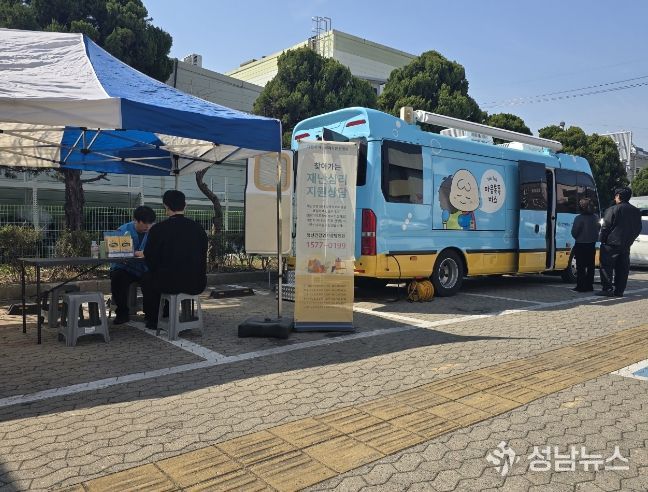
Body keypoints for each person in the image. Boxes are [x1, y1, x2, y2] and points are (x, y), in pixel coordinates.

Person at [141, 190, 208, 329]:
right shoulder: (198, 228)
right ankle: (174, 313)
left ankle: (154, 319)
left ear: (166, 206)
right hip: (196, 282)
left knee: (147, 277)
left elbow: (150, 257)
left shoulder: (158, 229)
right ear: (185, 205)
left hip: (168, 283)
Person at [110, 206, 156, 324]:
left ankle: (151, 315)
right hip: (126, 268)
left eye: (150, 223)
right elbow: (114, 251)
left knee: (151, 280)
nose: (147, 226)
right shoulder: (122, 230)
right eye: (144, 223)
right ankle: (122, 313)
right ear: (135, 220)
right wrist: (133, 253)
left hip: (145, 268)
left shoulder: (155, 231)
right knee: (117, 277)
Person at [597, 187, 643, 297]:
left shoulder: (612, 209)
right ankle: (619, 290)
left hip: (610, 244)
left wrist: (602, 240)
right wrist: (630, 240)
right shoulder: (636, 211)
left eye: (615, 196)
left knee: (606, 267)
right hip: (626, 244)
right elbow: (638, 228)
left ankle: (607, 289)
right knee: (622, 268)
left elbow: (605, 227)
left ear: (618, 196)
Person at [570, 198, 600, 292]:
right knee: (590, 266)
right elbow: (598, 229)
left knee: (581, 266)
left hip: (581, 244)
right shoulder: (595, 217)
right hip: (592, 244)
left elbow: (574, 232)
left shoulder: (579, 218)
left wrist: (578, 237)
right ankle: (589, 286)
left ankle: (580, 286)